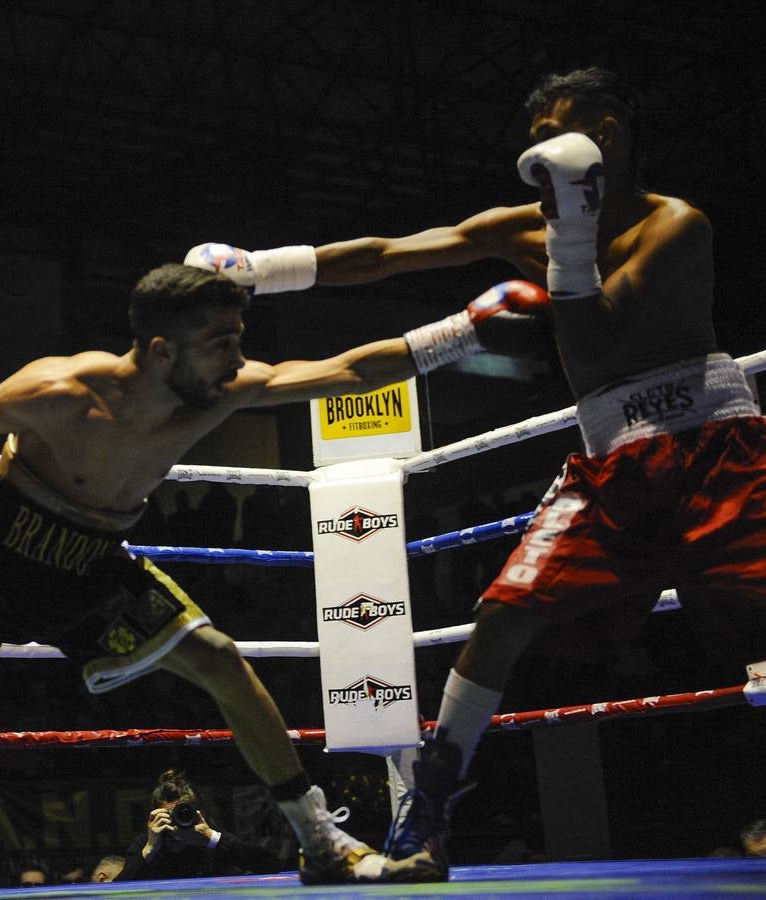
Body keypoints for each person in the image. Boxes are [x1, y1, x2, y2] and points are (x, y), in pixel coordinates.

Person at [0, 262, 552, 897]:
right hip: (5, 552)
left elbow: (350, 372)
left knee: (221, 659)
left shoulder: (225, 390)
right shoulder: (64, 389)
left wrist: (463, 330)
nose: (237, 357)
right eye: (221, 342)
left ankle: (318, 840)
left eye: (239, 338)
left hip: (96, 562)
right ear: (162, 349)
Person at [191, 66, 766, 882]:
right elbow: (392, 255)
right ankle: (424, 820)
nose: (538, 156)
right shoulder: (526, 222)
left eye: (553, 135)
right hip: (613, 459)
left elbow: (599, 341)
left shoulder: (679, 226)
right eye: (533, 144)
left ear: (607, 133)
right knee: (501, 616)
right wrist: (263, 269)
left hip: (715, 447)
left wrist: (570, 234)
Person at [117, 768, 285, 881]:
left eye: (184, 814)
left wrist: (212, 839)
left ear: (200, 814)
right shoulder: (144, 845)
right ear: (155, 817)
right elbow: (115, 892)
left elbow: (271, 864)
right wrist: (149, 850)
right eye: (170, 814)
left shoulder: (213, 843)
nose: (177, 821)